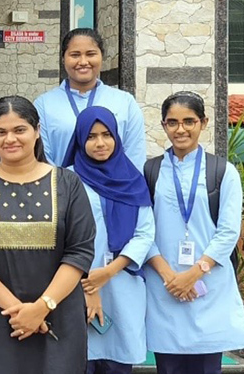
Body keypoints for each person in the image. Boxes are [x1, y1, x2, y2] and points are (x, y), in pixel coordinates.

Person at [0, 96, 96, 374]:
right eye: (0, 132)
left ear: (37, 130)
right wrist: (20, 312)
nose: (10, 139)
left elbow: (79, 252)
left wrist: (42, 307)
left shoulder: (68, 183)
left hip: (58, 317)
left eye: (19, 130)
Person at [143, 92, 244, 374]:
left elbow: (228, 232)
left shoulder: (223, 171)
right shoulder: (151, 171)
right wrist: (171, 277)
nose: (181, 129)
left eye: (189, 121)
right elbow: (143, 230)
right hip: (164, 286)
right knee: (168, 366)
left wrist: (193, 273)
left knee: (207, 367)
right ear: (164, 125)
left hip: (208, 284)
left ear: (203, 122)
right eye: (173, 122)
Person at [58, 106, 155, 374]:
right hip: (75, 283)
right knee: (80, 358)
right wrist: (90, 285)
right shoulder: (66, 179)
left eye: (106, 135)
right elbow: (61, 235)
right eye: (91, 137)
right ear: (79, 139)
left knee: (118, 360)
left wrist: (109, 272)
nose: (100, 143)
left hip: (123, 283)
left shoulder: (133, 179)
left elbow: (145, 233)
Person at [34, 28, 145, 169]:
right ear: (63, 59)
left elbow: (135, 156)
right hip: (61, 182)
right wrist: (63, 181)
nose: (83, 61)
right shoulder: (44, 105)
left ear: (102, 56)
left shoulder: (125, 102)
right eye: (75, 55)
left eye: (91, 54)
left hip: (116, 183)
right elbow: (43, 158)